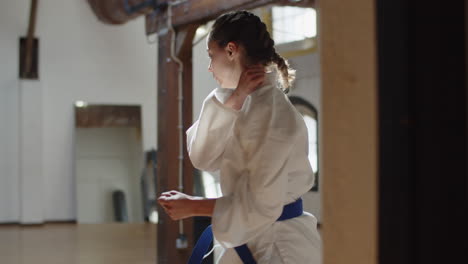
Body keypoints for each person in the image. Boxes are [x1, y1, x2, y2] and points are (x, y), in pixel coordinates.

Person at [158, 10, 322, 264]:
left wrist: (193, 206)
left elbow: (259, 204)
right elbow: (202, 157)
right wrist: (234, 100)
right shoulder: (239, 102)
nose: (211, 67)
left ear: (232, 51)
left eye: (213, 56)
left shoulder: (271, 111)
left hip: (277, 246)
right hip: (248, 236)